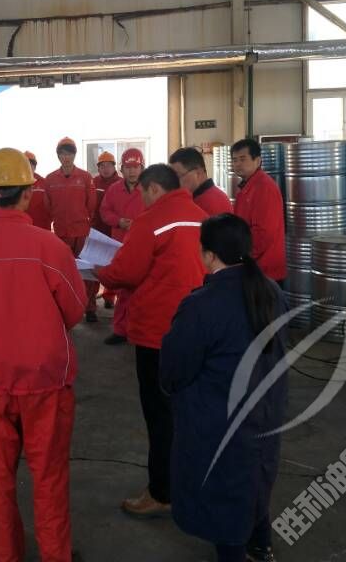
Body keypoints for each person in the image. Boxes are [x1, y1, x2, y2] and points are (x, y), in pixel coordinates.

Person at [0, 148, 86, 562]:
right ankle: (55, 554)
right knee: (48, 476)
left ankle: (5, 554)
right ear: (28, 193)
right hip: (44, 381)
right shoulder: (49, 247)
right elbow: (74, 310)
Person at [158, 213, 286, 562]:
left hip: (218, 421)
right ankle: (261, 546)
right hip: (266, 412)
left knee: (224, 498)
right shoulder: (271, 291)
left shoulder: (202, 304)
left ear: (209, 255)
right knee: (255, 481)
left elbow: (174, 368)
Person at [95, 164, 206, 518]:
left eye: (143, 192)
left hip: (158, 331)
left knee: (160, 415)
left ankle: (161, 491)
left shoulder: (151, 221)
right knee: (188, 410)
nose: (141, 199)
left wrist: (98, 271)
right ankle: (191, 481)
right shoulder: (201, 217)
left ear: (154, 189)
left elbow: (126, 272)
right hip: (196, 328)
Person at [44, 137, 98, 323]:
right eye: (62, 154)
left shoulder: (85, 177)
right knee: (63, 272)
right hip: (61, 233)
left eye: (69, 154)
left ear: (74, 155)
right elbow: (48, 206)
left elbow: (91, 204)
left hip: (81, 232)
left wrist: (81, 220)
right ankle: (64, 307)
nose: (66, 157)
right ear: (58, 156)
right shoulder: (50, 179)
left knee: (87, 272)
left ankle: (90, 308)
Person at [98, 148, 146, 346]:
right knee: (122, 289)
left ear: (142, 168)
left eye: (135, 167)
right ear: (122, 169)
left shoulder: (150, 189)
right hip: (118, 245)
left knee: (141, 290)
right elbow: (104, 211)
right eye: (128, 167)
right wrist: (118, 221)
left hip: (143, 246)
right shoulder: (114, 190)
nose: (132, 171)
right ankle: (120, 330)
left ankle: (139, 329)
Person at [231, 138, 286, 285]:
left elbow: (263, 233)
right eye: (234, 160)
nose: (237, 164)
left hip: (264, 271)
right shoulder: (247, 187)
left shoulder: (263, 188)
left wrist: (242, 257)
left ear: (258, 161)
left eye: (243, 159)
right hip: (253, 267)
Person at [92, 151, 121, 312]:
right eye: (102, 166)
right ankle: (92, 297)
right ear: (98, 168)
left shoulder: (120, 183)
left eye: (108, 165)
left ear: (114, 167)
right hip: (97, 228)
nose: (105, 169)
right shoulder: (94, 182)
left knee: (113, 264)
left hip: (115, 230)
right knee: (95, 264)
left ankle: (109, 296)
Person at [168, 147, 232, 217]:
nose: (173, 183)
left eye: (177, 177)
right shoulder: (211, 195)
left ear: (198, 173)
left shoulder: (207, 202)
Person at [24, 151, 52, 230]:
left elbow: (52, 205)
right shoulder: (16, 184)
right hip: (24, 226)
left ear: (35, 166)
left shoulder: (44, 182)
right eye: (25, 165)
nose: (28, 167)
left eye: (31, 164)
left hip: (42, 227)